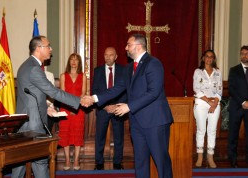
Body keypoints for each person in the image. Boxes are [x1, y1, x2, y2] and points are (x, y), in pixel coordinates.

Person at [84, 34, 173, 178]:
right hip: (137, 122)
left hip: (155, 122)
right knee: (140, 161)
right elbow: (117, 88)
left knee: (161, 161)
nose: (126, 48)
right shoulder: (129, 68)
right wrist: (94, 98)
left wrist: (129, 106)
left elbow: (153, 92)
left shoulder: (153, 63)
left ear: (138, 46)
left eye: (128, 45)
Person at [11, 36, 91, 178]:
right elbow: (52, 91)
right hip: (34, 124)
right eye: (48, 46)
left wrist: (47, 108)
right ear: (39, 48)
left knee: (19, 163)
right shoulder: (34, 69)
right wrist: (79, 101)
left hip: (26, 122)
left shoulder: (26, 65)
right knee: (41, 162)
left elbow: (31, 95)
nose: (51, 49)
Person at [92, 47, 126, 170]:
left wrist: (117, 106)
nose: (108, 57)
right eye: (106, 55)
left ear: (116, 56)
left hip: (118, 109)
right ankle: (99, 162)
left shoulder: (123, 70)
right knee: (100, 136)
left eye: (111, 55)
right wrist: (105, 106)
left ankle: (117, 162)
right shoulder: (98, 71)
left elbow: (126, 90)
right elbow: (94, 91)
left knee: (118, 137)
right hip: (102, 109)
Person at [193, 50, 222, 168]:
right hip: (201, 102)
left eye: (211, 57)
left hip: (215, 102)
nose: (209, 59)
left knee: (212, 130)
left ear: (214, 59)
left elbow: (220, 90)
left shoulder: (218, 72)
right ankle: (200, 156)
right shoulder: (198, 72)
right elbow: (196, 89)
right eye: (207, 56)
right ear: (203, 58)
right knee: (201, 130)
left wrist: (214, 103)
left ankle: (210, 157)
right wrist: (208, 102)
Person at [58, 53, 87, 171]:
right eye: (71, 59)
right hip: (65, 108)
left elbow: (84, 92)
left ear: (79, 62)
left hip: (79, 109)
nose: (74, 62)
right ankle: (66, 159)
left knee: (77, 134)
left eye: (76, 60)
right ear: (69, 62)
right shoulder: (63, 76)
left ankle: (76, 160)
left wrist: (76, 107)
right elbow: (63, 94)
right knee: (65, 134)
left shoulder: (83, 76)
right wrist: (70, 107)